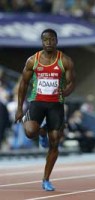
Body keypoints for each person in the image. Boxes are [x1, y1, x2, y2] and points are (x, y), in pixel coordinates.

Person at [15, 29, 75, 191]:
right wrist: (19, 108)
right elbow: (23, 84)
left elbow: (71, 83)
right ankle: (42, 132)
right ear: (42, 42)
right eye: (45, 40)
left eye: (52, 39)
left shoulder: (65, 60)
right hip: (37, 102)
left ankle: (46, 179)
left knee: (55, 142)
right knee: (29, 132)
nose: (49, 42)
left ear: (56, 41)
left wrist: (66, 91)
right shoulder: (32, 60)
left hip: (56, 105)